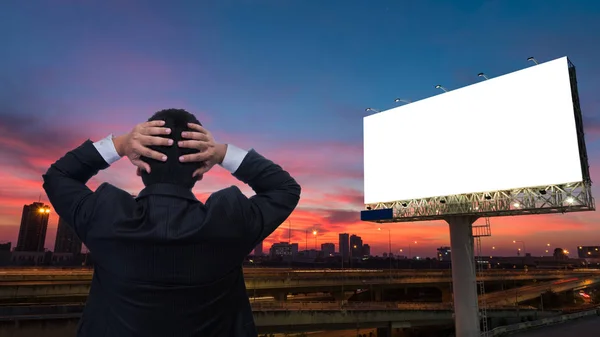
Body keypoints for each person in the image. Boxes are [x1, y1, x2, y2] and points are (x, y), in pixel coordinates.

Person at [42, 108, 301, 337]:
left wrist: (120, 145)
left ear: (140, 168)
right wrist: (221, 153)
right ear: (200, 172)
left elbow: (58, 176)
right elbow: (284, 189)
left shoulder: (105, 216)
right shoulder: (228, 220)